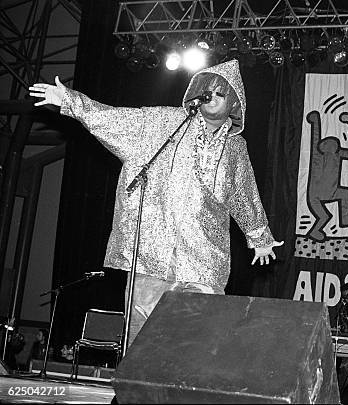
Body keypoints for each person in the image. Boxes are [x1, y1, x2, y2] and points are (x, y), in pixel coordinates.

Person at [29, 60, 283, 346]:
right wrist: (71, 101)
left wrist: (259, 235)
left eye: (221, 93)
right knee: (142, 342)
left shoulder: (236, 148)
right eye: (207, 91)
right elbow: (113, 119)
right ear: (197, 95)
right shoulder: (161, 123)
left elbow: (243, 192)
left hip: (205, 259)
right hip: (152, 254)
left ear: (235, 105)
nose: (211, 96)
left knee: (200, 340)